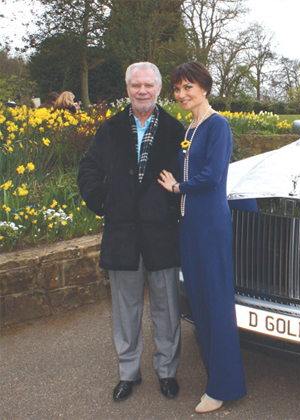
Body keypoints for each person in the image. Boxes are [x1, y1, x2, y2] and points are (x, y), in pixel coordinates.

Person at [78, 62, 185, 402]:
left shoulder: (175, 129)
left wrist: (172, 205)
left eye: (148, 85)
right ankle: (129, 372)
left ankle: (167, 371)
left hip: (162, 233)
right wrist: (105, 202)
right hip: (122, 234)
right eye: (136, 85)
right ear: (127, 89)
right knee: (125, 310)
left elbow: (189, 175)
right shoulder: (109, 129)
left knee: (166, 309)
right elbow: (88, 170)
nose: (142, 90)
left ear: (158, 89)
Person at [158, 61, 246, 414]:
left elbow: (212, 174)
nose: (181, 95)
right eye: (177, 89)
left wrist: (178, 187)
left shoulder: (217, 125)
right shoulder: (190, 127)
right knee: (199, 305)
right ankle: (216, 379)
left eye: (188, 87)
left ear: (205, 88)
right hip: (189, 226)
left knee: (216, 306)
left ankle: (225, 386)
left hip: (210, 226)